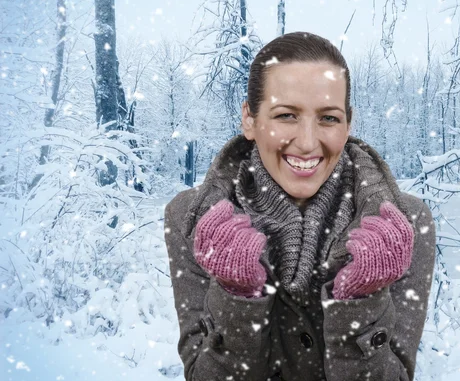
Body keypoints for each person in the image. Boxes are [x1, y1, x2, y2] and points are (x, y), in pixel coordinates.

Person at [164, 31, 436, 381]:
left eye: (328, 118)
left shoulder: (403, 223)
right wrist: (237, 296)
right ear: (250, 119)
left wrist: (361, 300)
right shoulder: (194, 217)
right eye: (286, 116)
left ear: (348, 123)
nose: (308, 143)